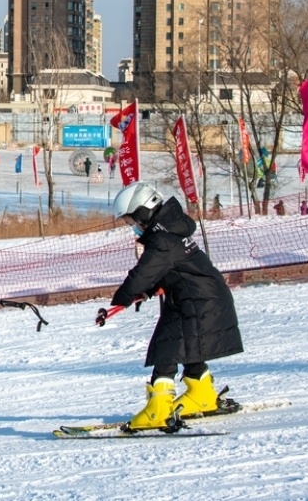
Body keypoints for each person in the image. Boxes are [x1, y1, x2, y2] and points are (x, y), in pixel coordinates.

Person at [109, 182, 243, 431]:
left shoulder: (162, 239)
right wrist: (147, 291)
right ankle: (200, 393)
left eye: (132, 221)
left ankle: (158, 408)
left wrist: (121, 298)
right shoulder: (170, 229)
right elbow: (166, 270)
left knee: (167, 346)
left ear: (143, 212)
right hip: (202, 297)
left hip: (197, 300)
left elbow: (143, 274)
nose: (134, 228)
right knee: (188, 344)